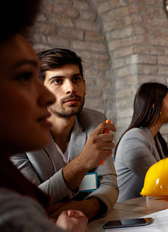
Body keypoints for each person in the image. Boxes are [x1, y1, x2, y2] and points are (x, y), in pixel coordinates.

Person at [0, 0, 88, 231]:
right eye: (25, 77)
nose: (45, 96)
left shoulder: (93, 121)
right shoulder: (10, 212)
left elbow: (107, 189)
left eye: (76, 79)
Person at [11, 48, 119, 220]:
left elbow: (110, 184)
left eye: (76, 79)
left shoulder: (95, 120)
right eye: (57, 81)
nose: (70, 88)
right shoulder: (17, 134)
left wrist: (86, 207)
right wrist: (82, 162)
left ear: (84, 86)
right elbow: (29, 201)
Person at [114, 82, 168, 201]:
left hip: (148, 211)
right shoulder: (134, 139)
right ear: (155, 106)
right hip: (130, 216)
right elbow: (163, 182)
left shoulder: (156, 138)